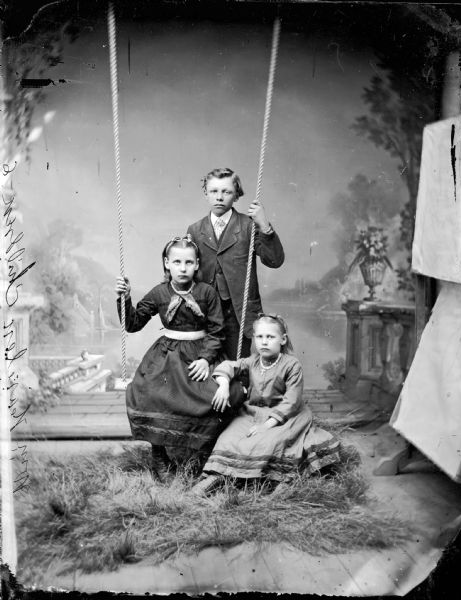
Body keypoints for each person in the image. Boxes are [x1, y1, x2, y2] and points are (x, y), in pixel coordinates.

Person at [115, 235, 243, 482]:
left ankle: (201, 454)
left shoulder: (206, 293)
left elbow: (217, 330)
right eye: (176, 262)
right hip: (167, 355)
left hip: (200, 353)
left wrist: (206, 359)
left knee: (217, 394)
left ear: (196, 265)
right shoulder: (159, 292)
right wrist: (125, 298)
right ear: (167, 263)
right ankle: (159, 455)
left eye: (188, 263)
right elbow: (133, 324)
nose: (182, 268)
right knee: (147, 392)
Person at [192, 314, 341, 495]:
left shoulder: (291, 364)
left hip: (286, 415)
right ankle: (217, 476)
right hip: (253, 413)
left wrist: (267, 425)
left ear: (282, 339)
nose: (264, 342)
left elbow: (291, 401)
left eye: (270, 337)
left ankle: (277, 480)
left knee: (271, 441)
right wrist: (223, 385)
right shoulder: (252, 361)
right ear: (254, 339)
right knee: (228, 438)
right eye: (260, 337)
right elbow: (229, 366)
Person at [187, 167, 285, 360]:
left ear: (237, 195)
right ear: (206, 193)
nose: (220, 197)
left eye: (227, 192)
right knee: (207, 369)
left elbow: (274, 261)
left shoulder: (248, 225)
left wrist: (264, 225)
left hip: (240, 315)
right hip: (206, 312)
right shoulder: (195, 230)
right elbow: (185, 271)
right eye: (214, 191)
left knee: (239, 369)